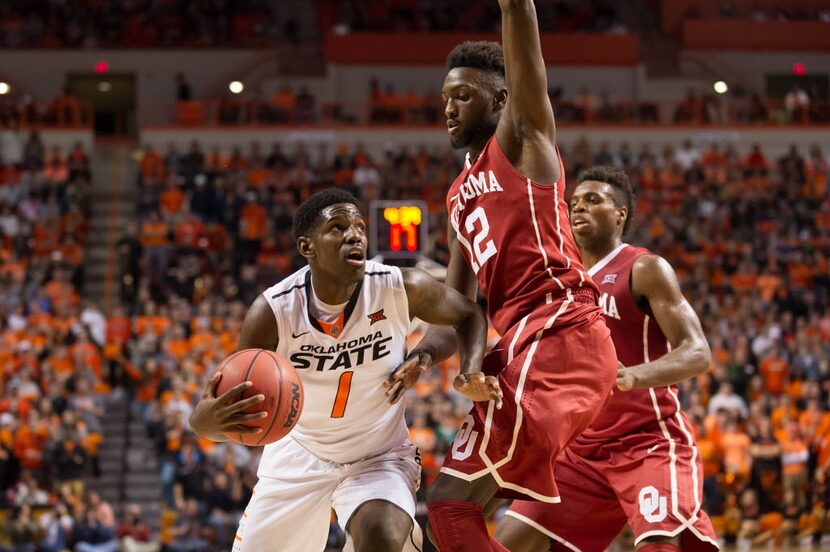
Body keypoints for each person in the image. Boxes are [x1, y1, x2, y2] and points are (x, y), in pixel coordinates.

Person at [386, 1, 618, 549]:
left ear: (501, 99)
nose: (447, 107)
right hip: (523, 349)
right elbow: (458, 310)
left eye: (462, 95)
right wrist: (423, 356)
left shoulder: (521, 140)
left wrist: (515, 7)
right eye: (444, 97)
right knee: (450, 513)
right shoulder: (456, 197)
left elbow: (521, 36)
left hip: (561, 333)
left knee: (451, 501)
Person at [188, 188, 497, 552]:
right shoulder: (273, 312)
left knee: (382, 535)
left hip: (378, 455)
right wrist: (204, 425)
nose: (354, 235)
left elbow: (468, 315)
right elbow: (234, 408)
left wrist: (427, 356)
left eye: (359, 227)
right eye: (337, 227)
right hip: (300, 454)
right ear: (308, 247)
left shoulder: (399, 286)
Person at [495, 166, 718, 551]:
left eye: (592, 200)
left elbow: (698, 352)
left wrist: (630, 376)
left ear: (620, 214)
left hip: (645, 438)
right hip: (581, 449)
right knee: (506, 542)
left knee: (660, 543)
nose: (577, 208)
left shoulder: (645, 268)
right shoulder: (559, 278)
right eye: (574, 203)